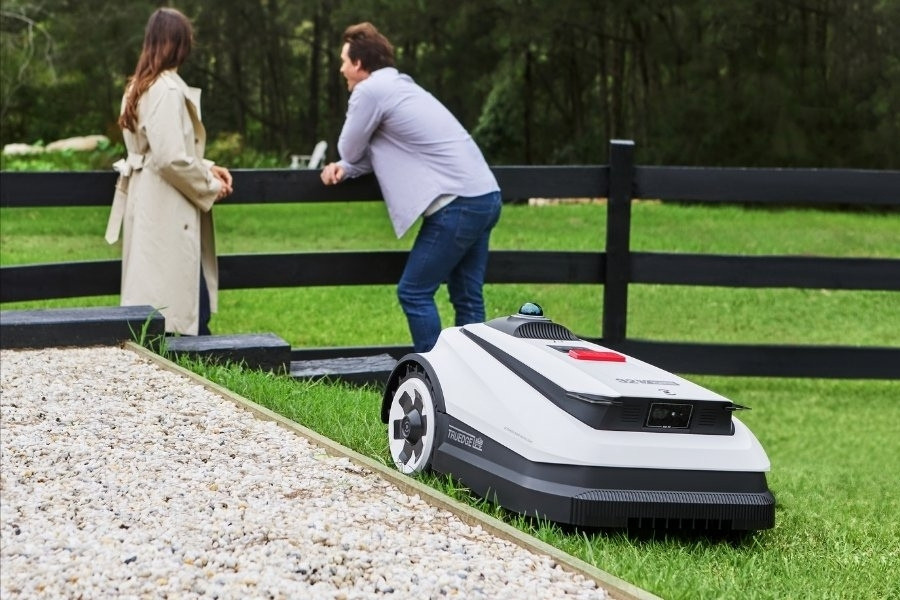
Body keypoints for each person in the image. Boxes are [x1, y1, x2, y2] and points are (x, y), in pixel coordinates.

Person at [321, 22, 502, 353]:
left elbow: (350, 148)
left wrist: (344, 163)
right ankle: (475, 379)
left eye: (345, 60)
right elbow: (381, 150)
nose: (341, 68)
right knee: (467, 297)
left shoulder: (370, 90)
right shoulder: (401, 87)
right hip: (486, 196)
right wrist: (347, 169)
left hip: (458, 205)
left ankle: (437, 375)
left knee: (414, 292)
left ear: (360, 64)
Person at [105, 7, 232, 336]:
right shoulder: (167, 89)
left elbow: (156, 149)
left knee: (161, 288)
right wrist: (210, 186)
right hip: (165, 203)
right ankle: (193, 361)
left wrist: (208, 167)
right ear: (181, 43)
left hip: (149, 197)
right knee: (184, 296)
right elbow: (171, 158)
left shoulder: (139, 86)